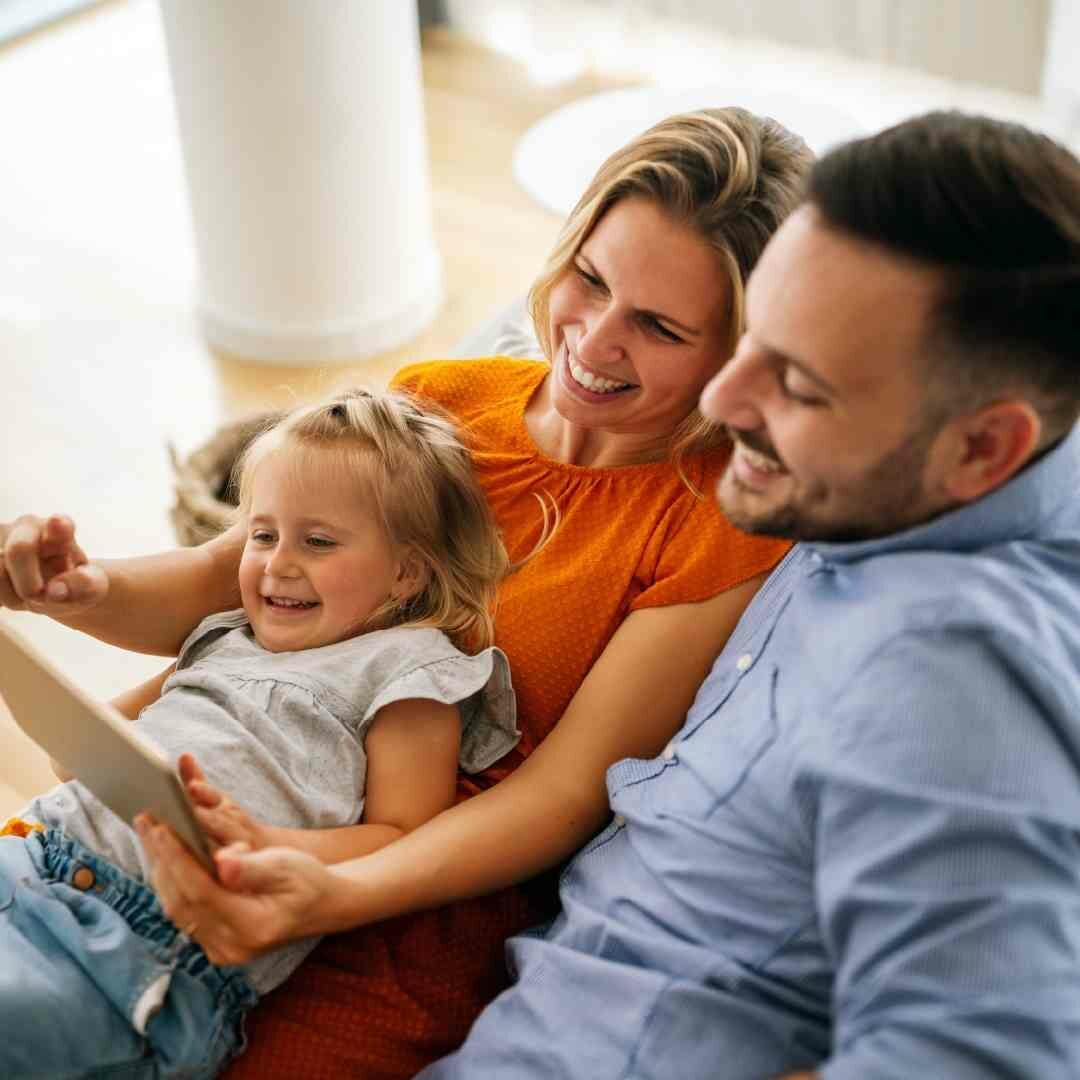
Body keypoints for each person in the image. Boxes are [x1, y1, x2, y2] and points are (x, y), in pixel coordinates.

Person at [0, 108, 808, 1075]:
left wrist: (336, 894)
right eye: (590, 279)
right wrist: (77, 590)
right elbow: (230, 578)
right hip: (191, 823)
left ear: (738, 356)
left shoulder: (713, 521)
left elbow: (561, 795)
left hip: (405, 902)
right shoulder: (443, 402)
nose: (593, 339)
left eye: (661, 327)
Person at [385, 110, 1079, 1077]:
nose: (720, 399)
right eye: (753, 339)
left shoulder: (953, 673)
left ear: (979, 451)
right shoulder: (887, 463)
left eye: (795, 383)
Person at [0, 386, 519, 1078]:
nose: (277, 564)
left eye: (319, 541)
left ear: (407, 571)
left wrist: (271, 844)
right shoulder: (225, 635)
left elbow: (403, 837)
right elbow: (83, 757)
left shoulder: (411, 667)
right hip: (34, 858)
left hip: (143, 948)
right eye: (263, 535)